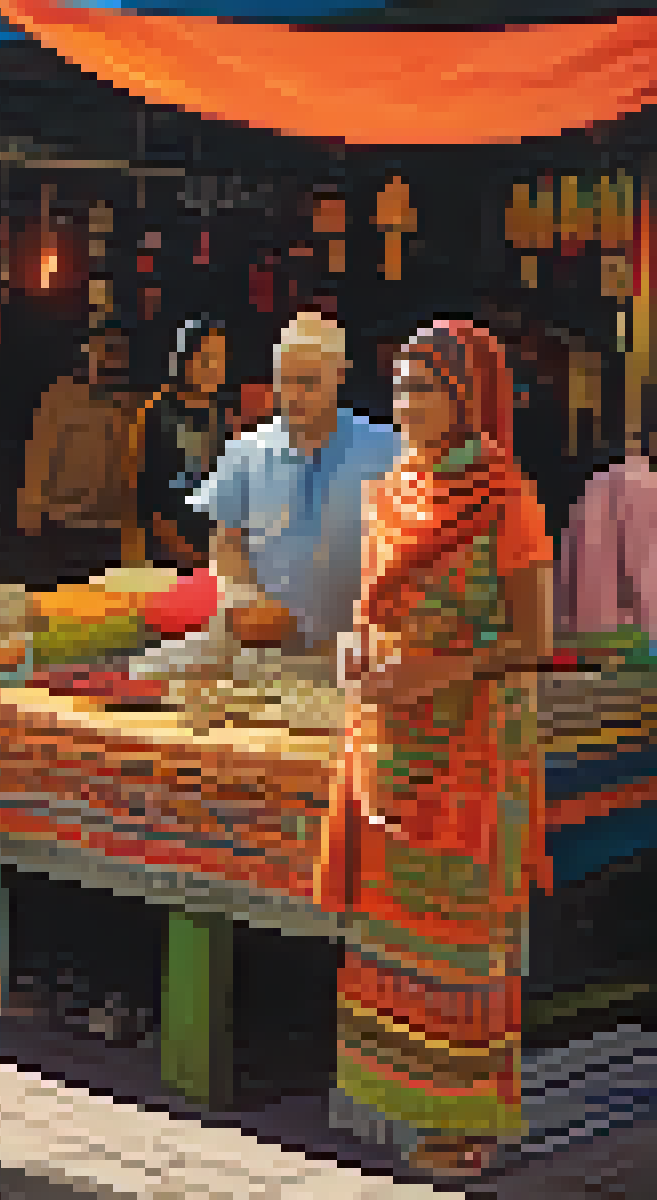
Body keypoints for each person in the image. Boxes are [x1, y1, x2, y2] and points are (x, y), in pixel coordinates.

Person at [315, 321, 555, 1179]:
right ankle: (406, 1104)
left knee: (462, 937)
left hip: (474, 751)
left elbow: (533, 638)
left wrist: (431, 674)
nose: (406, 406)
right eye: (401, 388)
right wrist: (358, 648)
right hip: (395, 747)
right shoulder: (393, 493)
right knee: (399, 935)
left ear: (471, 396)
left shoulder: (507, 501)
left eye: (425, 388)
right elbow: (372, 607)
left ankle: (470, 1122)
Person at [192, 312, 403, 658]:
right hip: (263, 649)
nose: (294, 395)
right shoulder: (247, 448)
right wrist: (245, 600)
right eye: (285, 381)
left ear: (339, 376)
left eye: (308, 381)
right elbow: (228, 538)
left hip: (360, 651)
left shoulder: (388, 448)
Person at [18, 318, 142, 586]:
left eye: (119, 350)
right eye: (105, 349)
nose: (112, 357)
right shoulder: (62, 396)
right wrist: (30, 511)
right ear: (89, 352)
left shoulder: (135, 402)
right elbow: (39, 456)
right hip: (65, 525)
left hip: (116, 528)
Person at [138, 318, 232, 569]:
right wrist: (182, 553)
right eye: (206, 357)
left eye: (220, 358)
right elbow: (149, 499)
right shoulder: (158, 414)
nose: (215, 367)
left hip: (213, 550)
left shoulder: (219, 416)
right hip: (171, 554)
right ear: (184, 360)